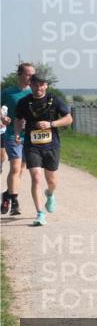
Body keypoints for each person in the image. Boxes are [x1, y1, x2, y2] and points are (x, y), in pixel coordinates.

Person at [13, 72, 72, 227]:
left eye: (41, 85)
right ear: (30, 85)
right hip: (32, 146)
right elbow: (18, 119)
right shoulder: (24, 102)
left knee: (51, 181)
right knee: (36, 177)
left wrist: (51, 124)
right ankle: (40, 214)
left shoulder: (55, 100)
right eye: (35, 84)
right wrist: (18, 133)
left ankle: (50, 194)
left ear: (46, 85)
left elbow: (68, 119)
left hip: (52, 145)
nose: (38, 88)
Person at [2, 63, 37, 216]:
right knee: (15, 168)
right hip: (12, 134)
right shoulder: (8, 92)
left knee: (21, 170)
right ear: (20, 74)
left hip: (29, 135)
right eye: (28, 74)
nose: (31, 77)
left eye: (33, 74)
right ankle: (15, 203)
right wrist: (2, 117)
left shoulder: (34, 92)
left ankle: (7, 194)